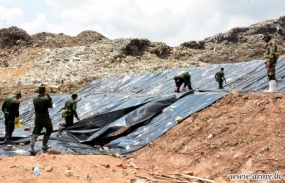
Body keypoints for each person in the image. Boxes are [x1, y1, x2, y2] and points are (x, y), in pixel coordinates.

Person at [29, 86, 53, 154]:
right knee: (49, 130)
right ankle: (44, 145)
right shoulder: (45, 99)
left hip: (37, 118)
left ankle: (31, 147)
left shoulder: (34, 99)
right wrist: (49, 97)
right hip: (45, 118)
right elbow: (51, 106)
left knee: (35, 133)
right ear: (44, 92)